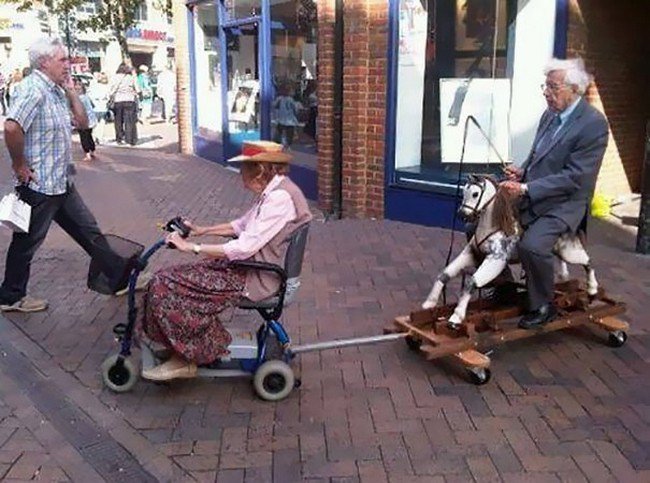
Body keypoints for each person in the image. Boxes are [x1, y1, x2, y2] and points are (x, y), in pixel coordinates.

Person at [140, 141, 313, 381]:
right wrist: (201, 230)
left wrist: (191, 247)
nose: (241, 173)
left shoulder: (279, 198)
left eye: (244, 167)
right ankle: (179, 346)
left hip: (254, 276)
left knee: (166, 284)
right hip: (246, 268)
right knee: (168, 278)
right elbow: (241, 226)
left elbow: (243, 247)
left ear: (260, 170)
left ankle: (188, 357)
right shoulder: (275, 191)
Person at [0, 37, 139, 313]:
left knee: (89, 232)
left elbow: (83, 123)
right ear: (44, 62)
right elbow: (12, 127)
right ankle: (10, 297)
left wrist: (71, 92)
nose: (68, 64)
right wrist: (19, 164)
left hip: (61, 182)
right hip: (39, 184)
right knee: (26, 243)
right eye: (62, 60)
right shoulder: (33, 90)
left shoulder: (54, 91)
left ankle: (117, 277)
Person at [500, 57, 608, 329]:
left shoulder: (593, 124)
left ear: (575, 89)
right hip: (535, 193)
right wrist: (522, 172)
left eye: (553, 87)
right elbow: (538, 155)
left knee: (533, 246)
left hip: (565, 204)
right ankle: (505, 289)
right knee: (478, 229)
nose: (547, 92)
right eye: (545, 86)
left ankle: (544, 306)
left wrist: (526, 188)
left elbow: (575, 177)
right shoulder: (550, 115)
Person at [109, 63, 139, 145]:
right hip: (129, 99)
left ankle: (119, 138)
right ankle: (129, 139)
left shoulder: (114, 77)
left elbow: (110, 89)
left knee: (118, 120)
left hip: (118, 100)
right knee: (129, 120)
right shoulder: (131, 77)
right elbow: (137, 88)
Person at [74, 79, 98, 161]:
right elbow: (93, 106)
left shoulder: (77, 99)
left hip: (82, 120)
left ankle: (87, 153)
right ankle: (93, 151)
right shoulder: (87, 97)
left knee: (83, 137)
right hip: (91, 118)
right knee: (89, 135)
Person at [272, 82, 301, 149]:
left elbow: (274, 106)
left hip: (281, 119)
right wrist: (296, 114)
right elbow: (295, 109)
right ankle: (288, 144)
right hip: (290, 120)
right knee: (289, 133)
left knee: (279, 132)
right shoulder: (291, 100)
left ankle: (279, 143)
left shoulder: (280, 99)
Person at [88, 72, 110, 144]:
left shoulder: (93, 86)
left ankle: (94, 137)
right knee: (102, 122)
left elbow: (89, 95)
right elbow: (108, 96)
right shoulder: (107, 87)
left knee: (95, 122)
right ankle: (100, 137)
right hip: (103, 105)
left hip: (95, 105)